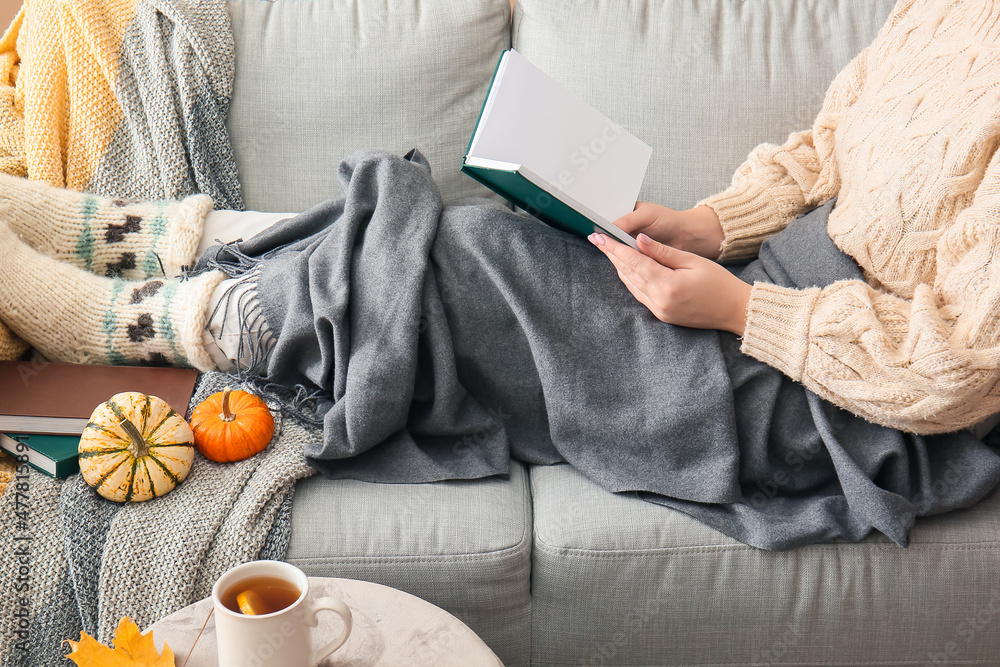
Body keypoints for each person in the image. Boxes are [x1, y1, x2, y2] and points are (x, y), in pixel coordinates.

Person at [0, 0, 999, 548]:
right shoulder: (952, 14)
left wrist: (738, 306)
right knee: (463, 242)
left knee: (466, 259)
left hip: (832, 396)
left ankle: (149, 315)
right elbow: (827, 148)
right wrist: (708, 225)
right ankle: (160, 258)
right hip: (761, 284)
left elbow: (950, 371)